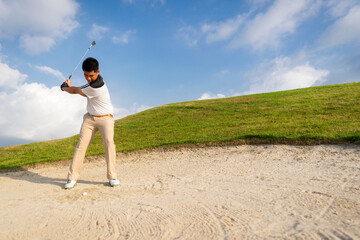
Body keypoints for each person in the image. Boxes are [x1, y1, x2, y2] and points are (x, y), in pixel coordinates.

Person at [61, 57, 119, 189]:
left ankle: (112, 176)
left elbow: (77, 91)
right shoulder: (90, 85)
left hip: (106, 119)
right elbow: (80, 90)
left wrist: (64, 88)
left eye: (91, 75)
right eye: (85, 75)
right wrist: (70, 87)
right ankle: (72, 178)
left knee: (109, 143)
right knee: (81, 146)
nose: (88, 78)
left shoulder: (98, 85)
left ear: (97, 72)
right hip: (90, 119)